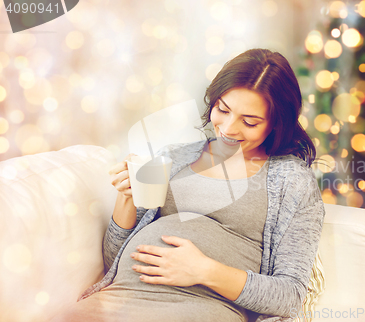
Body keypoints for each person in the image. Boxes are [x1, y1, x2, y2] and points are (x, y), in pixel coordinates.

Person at [51, 48, 325, 322]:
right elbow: (114, 259)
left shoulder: (292, 181)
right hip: (114, 302)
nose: (229, 128)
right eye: (223, 109)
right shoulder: (176, 157)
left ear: (276, 124)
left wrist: (205, 270)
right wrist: (127, 197)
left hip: (197, 310)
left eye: (249, 122)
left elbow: (290, 296)